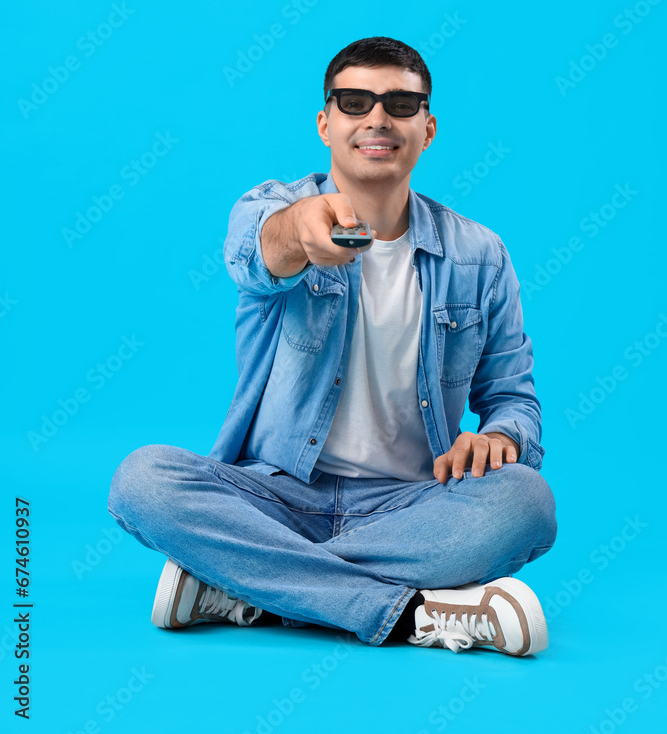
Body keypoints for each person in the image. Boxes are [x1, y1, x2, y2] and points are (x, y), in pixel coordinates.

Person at [108, 36, 557, 655]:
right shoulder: (274, 208)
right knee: (143, 480)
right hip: (275, 496)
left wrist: (500, 439)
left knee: (526, 500)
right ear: (326, 122)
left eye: (400, 104)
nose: (377, 117)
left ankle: (248, 585)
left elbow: (513, 397)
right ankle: (412, 614)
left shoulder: (479, 255)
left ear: (427, 127)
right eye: (355, 101)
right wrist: (301, 233)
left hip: (411, 503)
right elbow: (260, 249)